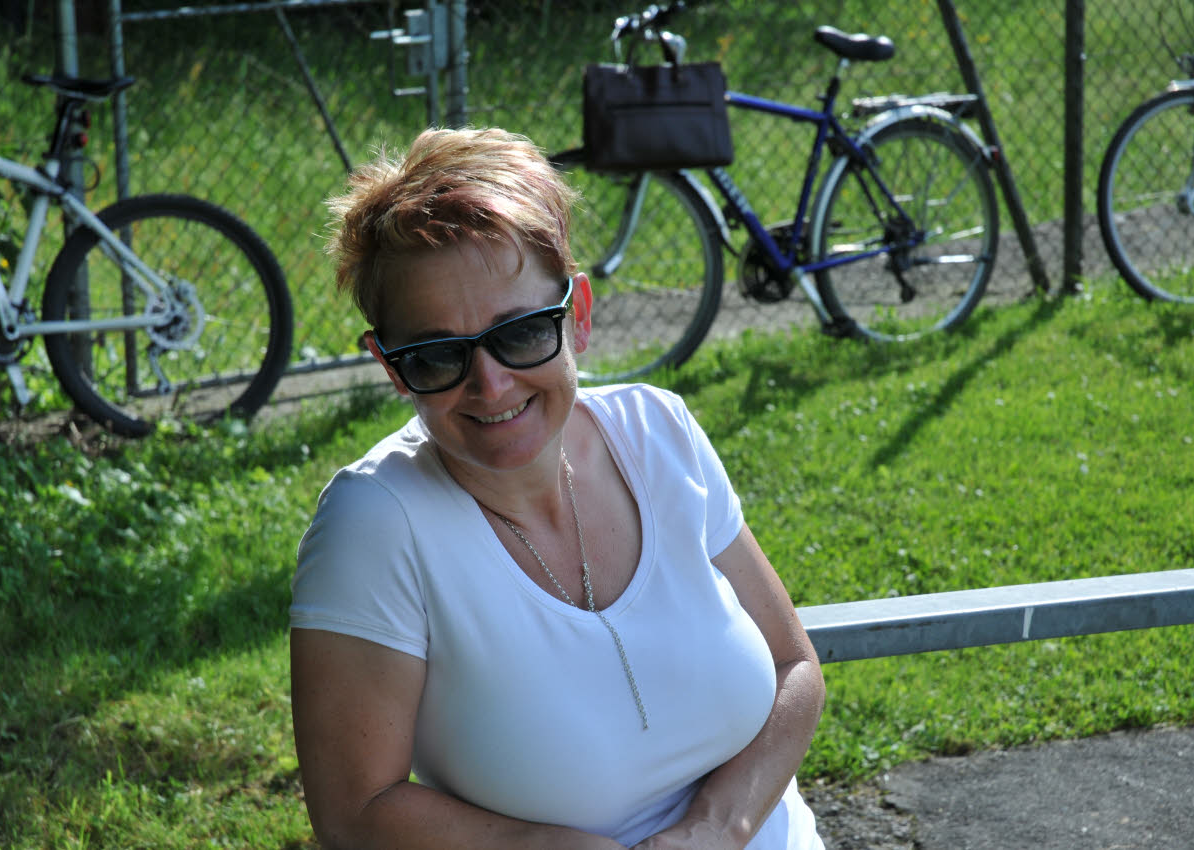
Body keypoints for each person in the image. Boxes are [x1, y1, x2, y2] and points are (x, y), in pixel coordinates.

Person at [289, 126, 827, 850]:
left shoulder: (658, 433)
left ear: (578, 315)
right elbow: (354, 810)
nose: (490, 385)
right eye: (437, 355)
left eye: (519, 333)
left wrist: (717, 827)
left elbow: (794, 666)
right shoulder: (377, 523)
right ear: (391, 367)